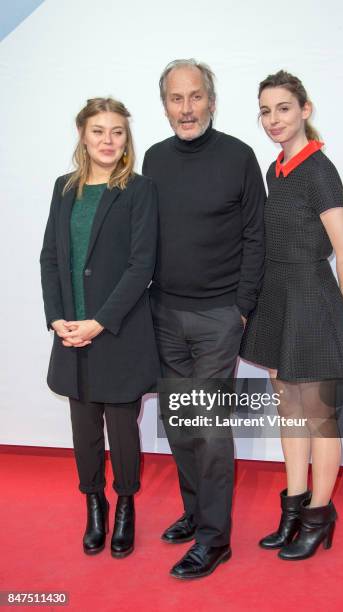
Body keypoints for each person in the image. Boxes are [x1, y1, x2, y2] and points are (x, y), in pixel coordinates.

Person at [142, 59, 265, 579]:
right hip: (164, 311)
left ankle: (216, 540)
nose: (186, 108)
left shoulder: (239, 156)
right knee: (179, 422)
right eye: (176, 98)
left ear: (211, 100)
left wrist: (240, 307)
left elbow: (257, 236)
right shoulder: (153, 159)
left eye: (195, 97)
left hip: (218, 315)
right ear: (165, 104)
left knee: (210, 430)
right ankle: (195, 512)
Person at [240, 70, 343, 560]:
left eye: (283, 108)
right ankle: (293, 507)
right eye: (265, 110)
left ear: (304, 110)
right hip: (279, 301)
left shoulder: (318, 169)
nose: (273, 119)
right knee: (288, 408)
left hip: (312, 301)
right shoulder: (277, 171)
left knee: (318, 417)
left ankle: (319, 513)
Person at [40, 97, 159, 558]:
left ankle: (126, 504)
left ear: (126, 138)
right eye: (98, 131)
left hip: (118, 331)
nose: (108, 141)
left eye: (117, 132)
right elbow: (51, 257)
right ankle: (95, 505)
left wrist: (99, 322)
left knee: (123, 428)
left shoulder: (139, 190)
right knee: (82, 427)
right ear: (83, 136)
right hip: (70, 331)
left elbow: (141, 266)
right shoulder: (64, 189)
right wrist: (57, 320)